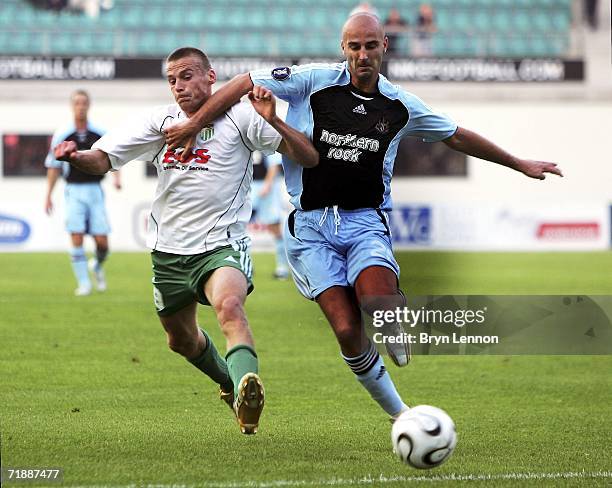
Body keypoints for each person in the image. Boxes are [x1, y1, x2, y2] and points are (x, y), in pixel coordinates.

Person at [164, 14, 562, 421]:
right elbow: (245, 81)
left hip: (365, 222)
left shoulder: (400, 104)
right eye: (354, 46)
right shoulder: (311, 81)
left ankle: (393, 318)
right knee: (346, 331)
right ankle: (400, 414)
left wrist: (518, 162)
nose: (362, 55)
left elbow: (456, 135)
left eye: (370, 45)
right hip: (310, 229)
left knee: (377, 305)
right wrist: (196, 123)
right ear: (343, 48)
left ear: (384, 46)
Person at [52, 47, 318, 434]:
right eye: (172, 79)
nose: (179, 86)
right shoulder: (160, 122)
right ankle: (231, 385)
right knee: (180, 340)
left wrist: (274, 120)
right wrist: (74, 157)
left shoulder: (243, 117)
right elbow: (103, 159)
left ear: (211, 77)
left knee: (229, 306)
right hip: (169, 254)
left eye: (188, 75)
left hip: (221, 246)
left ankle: (249, 386)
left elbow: (308, 157)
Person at [45, 90, 121, 296]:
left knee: (102, 243)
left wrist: (116, 178)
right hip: (73, 191)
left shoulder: (99, 132)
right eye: (77, 103)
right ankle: (84, 283)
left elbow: (113, 156)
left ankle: (96, 264)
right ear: (72, 106)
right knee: (76, 235)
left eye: (84, 103)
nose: (81, 106)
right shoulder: (62, 135)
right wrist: (48, 195)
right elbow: (54, 166)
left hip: (95, 190)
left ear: (89, 105)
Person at [251, 151, 289, 280]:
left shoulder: (265, 137)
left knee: (274, 227)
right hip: (247, 187)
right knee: (239, 228)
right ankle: (246, 267)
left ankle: (282, 267)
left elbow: (274, 164)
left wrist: (267, 185)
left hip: (266, 187)